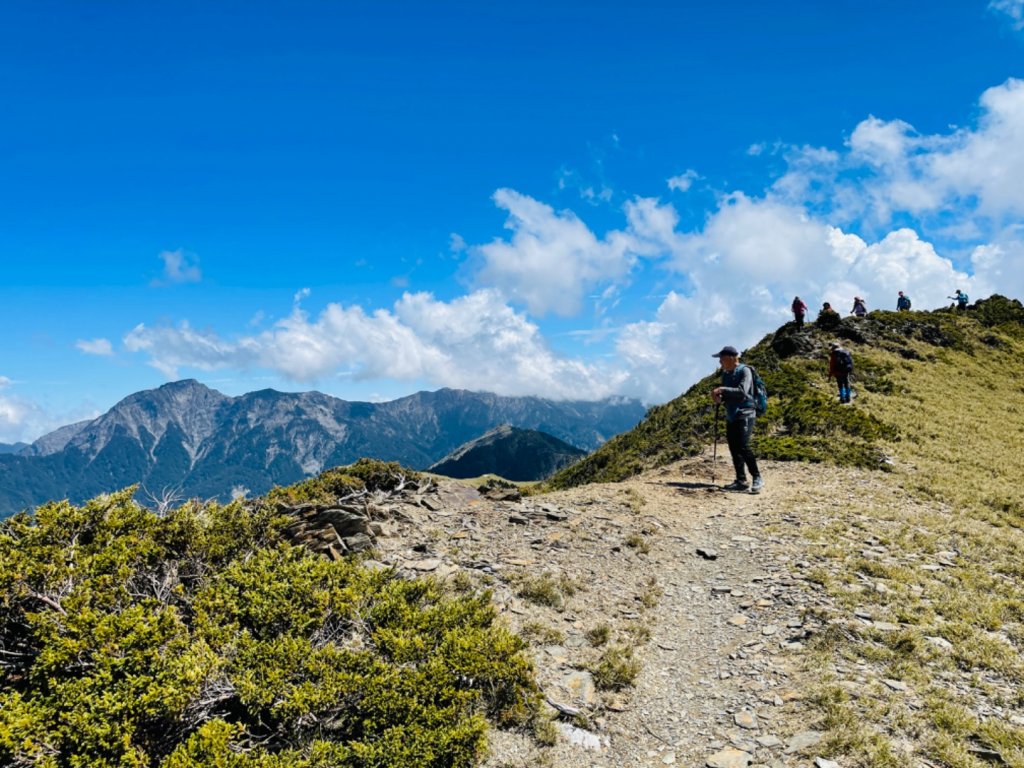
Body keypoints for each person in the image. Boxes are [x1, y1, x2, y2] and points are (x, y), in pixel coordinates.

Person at [710, 345, 763, 494]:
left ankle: (757, 477)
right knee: (734, 447)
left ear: (731, 358)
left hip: (746, 413)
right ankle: (741, 480)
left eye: (722, 358)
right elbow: (728, 394)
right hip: (732, 413)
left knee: (743, 445)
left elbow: (742, 392)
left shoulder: (745, 370)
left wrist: (722, 390)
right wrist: (720, 397)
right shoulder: (727, 373)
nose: (720, 361)